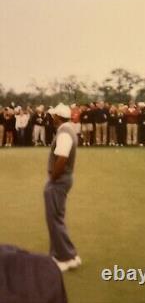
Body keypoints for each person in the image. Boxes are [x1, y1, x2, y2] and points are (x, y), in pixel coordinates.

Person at [44, 103, 81, 272]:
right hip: (63, 179)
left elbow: (62, 157)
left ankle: (66, 257)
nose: (52, 118)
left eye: (53, 116)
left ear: (58, 117)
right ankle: (64, 254)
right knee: (56, 218)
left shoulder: (64, 132)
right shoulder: (68, 128)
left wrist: (53, 177)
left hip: (59, 180)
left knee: (55, 219)